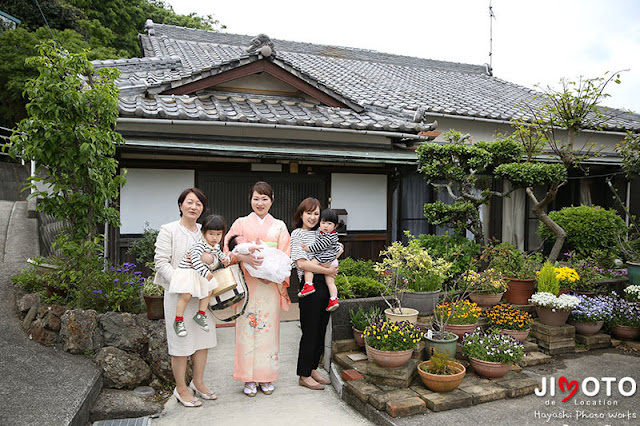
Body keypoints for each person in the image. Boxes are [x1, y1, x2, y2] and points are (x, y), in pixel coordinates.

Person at [224, 182, 291, 397]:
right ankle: (248, 377)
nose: (260, 203)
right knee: (246, 331)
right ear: (250, 200)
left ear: (272, 200)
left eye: (264, 198)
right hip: (247, 285)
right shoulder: (240, 223)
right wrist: (243, 257)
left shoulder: (280, 226)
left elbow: (285, 256)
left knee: (268, 332)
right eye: (256, 198)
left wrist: (272, 275)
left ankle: (266, 376)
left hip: (269, 286)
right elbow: (228, 250)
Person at [154, 188, 217, 407]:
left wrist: (212, 261)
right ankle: (181, 388)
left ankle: (198, 383)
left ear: (203, 208)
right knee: (180, 343)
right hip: (178, 295)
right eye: (189, 202)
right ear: (181, 205)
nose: (194, 207)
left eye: (199, 203)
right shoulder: (169, 230)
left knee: (202, 341)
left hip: (201, 296)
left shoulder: (205, 230)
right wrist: (180, 284)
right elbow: (161, 262)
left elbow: (214, 258)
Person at [291, 198, 341, 390]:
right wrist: (327, 270)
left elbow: (338, 249)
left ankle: (312, 369)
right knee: (310, 331)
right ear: (301, 214)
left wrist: (333, 258)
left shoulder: (323, 233)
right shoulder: (297, 234)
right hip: (309, 286)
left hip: (325, 286)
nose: (312, 217)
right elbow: (302, 263)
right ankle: (303, 374)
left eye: (316, 214)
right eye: (308, 213)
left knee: (321, 330)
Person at [168, 214, 230, 337]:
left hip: (199, 274)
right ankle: (178, 321)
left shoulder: (213, 246)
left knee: (209, 291)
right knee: (186, 295)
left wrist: (225, 259)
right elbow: (195, 260)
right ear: (204, 233)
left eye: (218, 234)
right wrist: (205, 272)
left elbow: (219, 253)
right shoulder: (199, 245)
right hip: (188, 272)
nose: (214, 237)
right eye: (211, 234)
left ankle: (200, 314)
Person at [299, 208, 341, 311]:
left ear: (335, 226)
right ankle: (333, 299)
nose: (325, 226)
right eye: (323, 222)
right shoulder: (329, 233)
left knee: (309, 267)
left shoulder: (328, 236)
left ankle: (308, 284)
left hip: (323, 257)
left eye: (329, 223)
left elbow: (319, 246)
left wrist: (307, 248)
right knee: (330, 282)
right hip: (332, 260)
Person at [227, 235, 292, 284]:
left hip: (267, 259)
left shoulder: (280, 224)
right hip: (249, 279)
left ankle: (278, 273)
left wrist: (260, 244)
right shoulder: (241, 246)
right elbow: (228, 254)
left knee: (274, 266)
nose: (244, 238)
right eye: (241, 239)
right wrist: (240, 257)